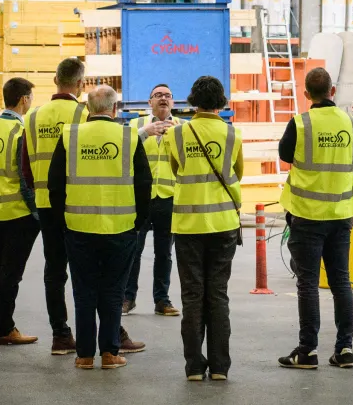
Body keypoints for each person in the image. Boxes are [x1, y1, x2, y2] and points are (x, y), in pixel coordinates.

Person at [49, 85, 152, 369]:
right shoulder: (129, 136)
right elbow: (144, 183)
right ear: (114, 109)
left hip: (79, 227)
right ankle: (109, 353)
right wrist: (138, 222)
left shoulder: (70, 135)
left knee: (83, 291)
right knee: (113, 292)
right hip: (120, 228)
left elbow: (55, 183)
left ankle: (84, 355)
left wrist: (63, 221)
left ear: (88, 109)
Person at [277, 68, 353, 370]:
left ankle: (307, 351)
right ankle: (345, 349)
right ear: (333, 91)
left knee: (308, 284)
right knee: (341, 282)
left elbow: (285, 155)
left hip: (306, 215)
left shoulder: (300, 124)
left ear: (305, 94)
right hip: (341, 215)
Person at [165, 75, 243, 381]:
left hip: (188, 225)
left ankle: (194, 367)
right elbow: (238, 173)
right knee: (218, 295)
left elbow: (175, 170)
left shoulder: (177, 135)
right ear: (221, 102)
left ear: (193, 101)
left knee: (192, 295)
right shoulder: (232, 135)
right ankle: (221, 367)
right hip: (223, 224)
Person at [21, 57, 87, 355]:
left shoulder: (33, 117)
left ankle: (60, 334)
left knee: (54, 270)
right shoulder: (83, 115)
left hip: (46, 204)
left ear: (55, 80)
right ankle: (103, 333)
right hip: (79, 205)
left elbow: (24, 164)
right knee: (88, 269)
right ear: (81, 84)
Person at [0, 77, 43, 346]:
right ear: (24, 99)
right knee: (10, 274)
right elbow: (24, 177)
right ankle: (5, 328)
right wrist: (35, 212)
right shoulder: (20, 131)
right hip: (17, 212)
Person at [124, 82, 181, 317]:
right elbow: (123, 149)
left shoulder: (182, 128)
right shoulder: (136, 125)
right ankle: (128, 298)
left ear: (173, 102)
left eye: (167, 95)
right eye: (157, 95)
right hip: (140, 198)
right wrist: (144, 133)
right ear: (149, 102)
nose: (163, 99)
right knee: (133, 251)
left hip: (168, 198)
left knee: (164, 253)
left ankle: (162, 299)